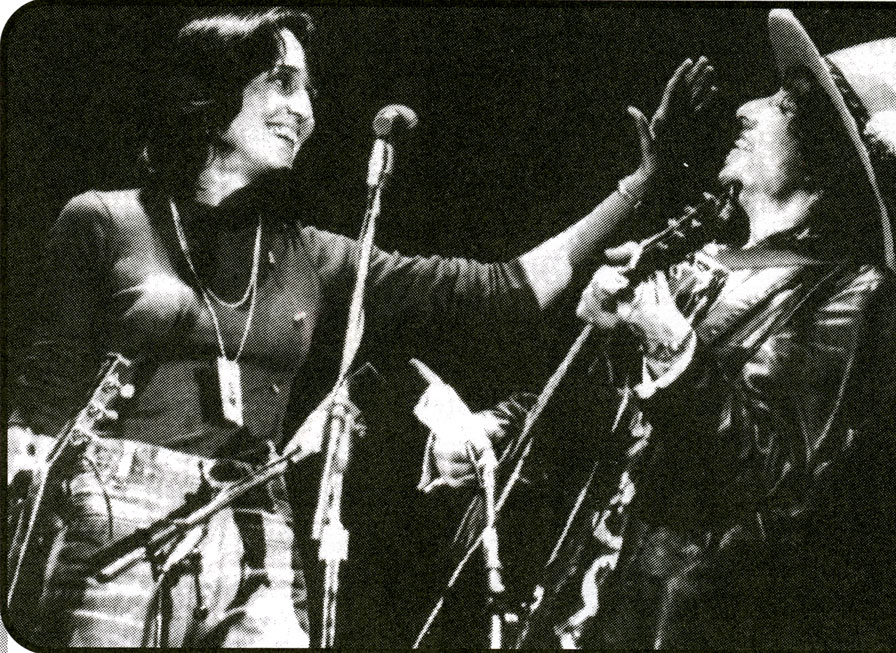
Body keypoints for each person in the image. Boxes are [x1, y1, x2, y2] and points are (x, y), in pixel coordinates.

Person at [4, 7, 716, 648]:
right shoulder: (104, 220)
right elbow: (38, 413)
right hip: (115, 512)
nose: (303, 109)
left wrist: (638, 188)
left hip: (254, 520)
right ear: (214, 92)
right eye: (281, 83)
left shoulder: (309, 254)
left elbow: (500, 290)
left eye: (309, 91)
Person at [426, 9, 896, 649]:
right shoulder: (702, 257)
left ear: (826, 158)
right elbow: (603, 410)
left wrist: (675, 351)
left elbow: (771, 470)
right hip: (572, 598)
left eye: (783, 105)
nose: (747, 110)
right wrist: (495, 431)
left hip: (677, 619)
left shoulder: (850, 292)